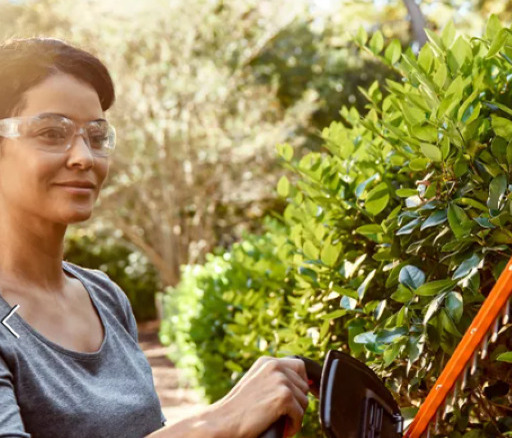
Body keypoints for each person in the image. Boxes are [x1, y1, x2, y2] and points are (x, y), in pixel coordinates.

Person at [0, 37, 310, 438]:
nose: (84, 157)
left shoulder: (104, 296)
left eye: (96, 136)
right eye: (51, 133)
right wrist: (220, 420)